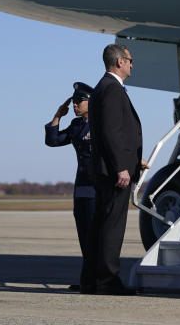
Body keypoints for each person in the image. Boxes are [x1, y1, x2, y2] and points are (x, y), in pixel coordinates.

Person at [84, 44, 147, 295]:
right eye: (130, 60)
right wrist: (121, 167)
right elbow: (112, 132)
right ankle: (107, 280)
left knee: (101, 225)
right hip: (113, 172)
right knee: (112, 227)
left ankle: (91, 280)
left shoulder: (103, 87)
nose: (132, 64)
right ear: (119, 62)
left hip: (106, 168)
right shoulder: (111, 88)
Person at [44, 82, 96, 290]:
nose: (75, 105)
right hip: (82, 185)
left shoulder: (102, 125)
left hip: (97, 187)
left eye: (79, 101)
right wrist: (58, 116)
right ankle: (87, 280)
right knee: (83, 233)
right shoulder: (76, 125)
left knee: (95, 234)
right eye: (73, 101)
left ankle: (97, 278)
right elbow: (53, 141)